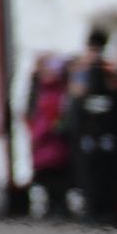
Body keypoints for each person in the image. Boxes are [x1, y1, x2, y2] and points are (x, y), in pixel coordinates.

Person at [70, 29, 117, 224]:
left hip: (105, 132)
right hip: (88, 132)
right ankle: (91, 209)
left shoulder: (108, 73)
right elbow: (76, 107)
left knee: (107, 175)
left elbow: (115, 106)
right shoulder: (81, 74)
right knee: (89, 175)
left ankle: (108, 210)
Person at [27, 54, 71, 218]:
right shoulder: (43, 91)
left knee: (56, 178)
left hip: (51, 143)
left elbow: (51, 119)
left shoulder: (55, 93)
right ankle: (53, 205)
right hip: (45, 144)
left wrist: (39, 134)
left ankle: (58, 206)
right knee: (48, 178)